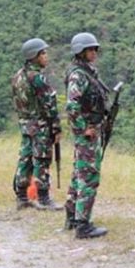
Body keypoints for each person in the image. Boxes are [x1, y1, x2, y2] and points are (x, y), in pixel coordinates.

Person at [63, 32, 109, 239]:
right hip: (87, 133)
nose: (94, 53)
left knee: (78, 173)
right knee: (88, 176)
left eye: (94, 49)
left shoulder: (87, 72)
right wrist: (83, 128)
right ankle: (83, 224)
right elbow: (72, 106)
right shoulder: (78, 75)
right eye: (89, 50)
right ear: (80, 52)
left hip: (91, 129)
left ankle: (73, 217)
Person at [11, 38, 63, 211]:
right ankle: (43, 197)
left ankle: (21, 196)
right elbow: (49, 104)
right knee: (41, 160)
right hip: (40, 124)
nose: (46, 56)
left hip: (26, 123)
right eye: (43, 53)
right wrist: (56, 126)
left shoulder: (18, 76)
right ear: (34, 56)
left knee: (25, 159)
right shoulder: (37, 78)